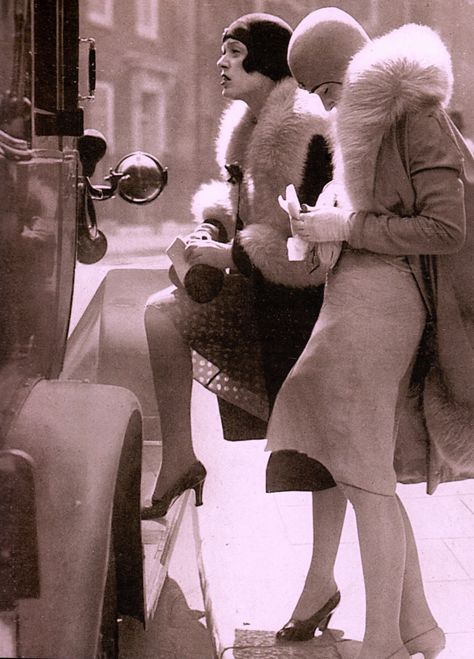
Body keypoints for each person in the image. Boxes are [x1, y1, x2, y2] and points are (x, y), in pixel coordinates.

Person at [265, 7, 474, 659]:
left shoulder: (415, 111)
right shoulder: (368, 120)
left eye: (328, 89)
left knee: (363, 470)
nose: (326, 105)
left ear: (353, 69)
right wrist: (319, 226)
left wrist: (344, 229)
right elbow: (376, 210)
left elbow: (447, 229)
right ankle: (418, 628)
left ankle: (387, 636)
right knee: (363, 466)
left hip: (389, 307)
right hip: (359, 301)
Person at [141, 13, 335, 520]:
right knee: (161, 314)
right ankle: (180, 461)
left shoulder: (307, 130)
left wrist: (231, 256)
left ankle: (325, 580)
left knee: (321, 456)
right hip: (265, 301)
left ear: (265, 59)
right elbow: (242, 204)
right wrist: (211, 227)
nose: (220, 62)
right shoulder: (249, 128)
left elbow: (314, 251)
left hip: (308, 317)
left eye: (234, 52)